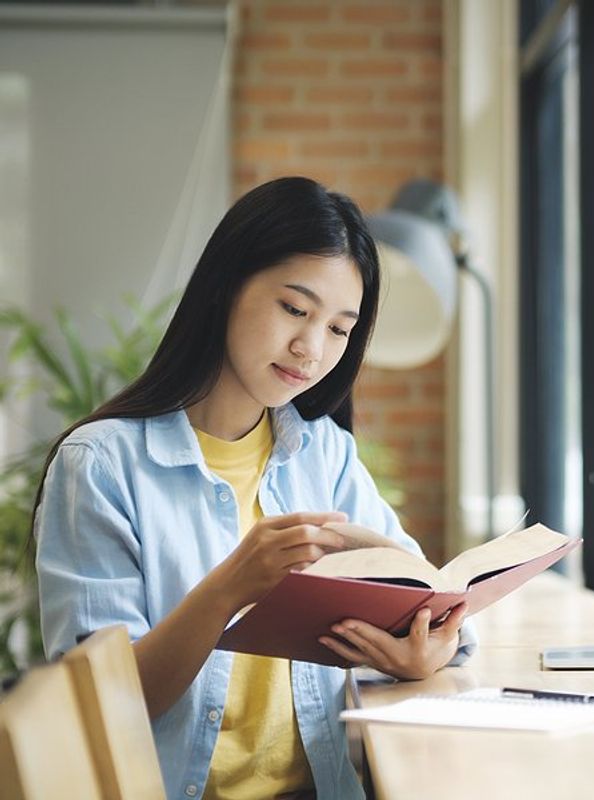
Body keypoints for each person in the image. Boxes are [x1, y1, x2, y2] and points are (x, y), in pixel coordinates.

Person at [33, 176, 475, 800]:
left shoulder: (324, 454)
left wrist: (422, 651)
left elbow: (435, 606)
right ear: (224, 287)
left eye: (339, 329)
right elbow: (104, 707)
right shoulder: (100, 467)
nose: (310, 347)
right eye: (295, 309)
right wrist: (229, 589)